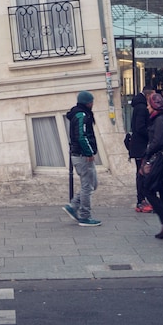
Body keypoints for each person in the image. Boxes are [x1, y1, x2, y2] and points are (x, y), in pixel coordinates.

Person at [62, 91, 101, 227]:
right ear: (87, 102)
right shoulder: (82, 115)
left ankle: (73, 206)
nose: (93, 103)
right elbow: (81, 136)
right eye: (91, 101)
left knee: (93, 183)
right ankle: (85, 215)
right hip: (82, 156)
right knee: (88, 186)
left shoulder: (80, 114)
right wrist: (89, 152)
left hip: (80, 155)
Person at [141, 92, 163, 239]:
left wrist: (146, 154)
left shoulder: (159, 120)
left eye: (149, 105)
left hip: (161, 160)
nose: (148, 108)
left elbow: (158, 141)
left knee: (148, 188)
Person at [127, 90, 153, 214]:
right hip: (141, 147)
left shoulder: (138, 106)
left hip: (137, 146)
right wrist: (150, 135)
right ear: (148, 95)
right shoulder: (142, 108)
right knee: (142, 174)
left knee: (141, 173)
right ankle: (141, 201)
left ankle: (142, 200)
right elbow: (140, 127)